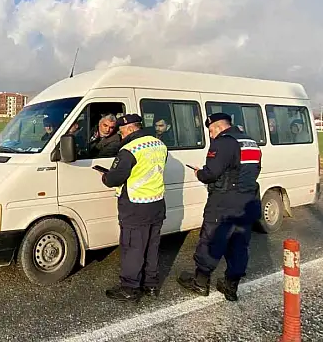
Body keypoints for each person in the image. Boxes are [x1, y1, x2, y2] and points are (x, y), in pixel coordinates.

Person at [177, 112, 262, 302]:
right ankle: (231, 286)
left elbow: (212, 173)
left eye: (210, 131)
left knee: (211, 240)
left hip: (224, 202)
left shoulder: (223, 142)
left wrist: (200, 173)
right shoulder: (250, 142)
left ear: (217, 127)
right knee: (239, 244)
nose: (211, 135)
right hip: (247, 201)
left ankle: (200, 283)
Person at [96, 114, 168, 302]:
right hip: (157, 202)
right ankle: (150, 285)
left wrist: (106, 177)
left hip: (136, 206)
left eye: (121, 131)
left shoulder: (129, 150)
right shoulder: (159, 144)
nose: (120, 135)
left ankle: (129, 287)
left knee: (133, 248)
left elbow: (114, 178)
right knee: (152, 246)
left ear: (129, 129)